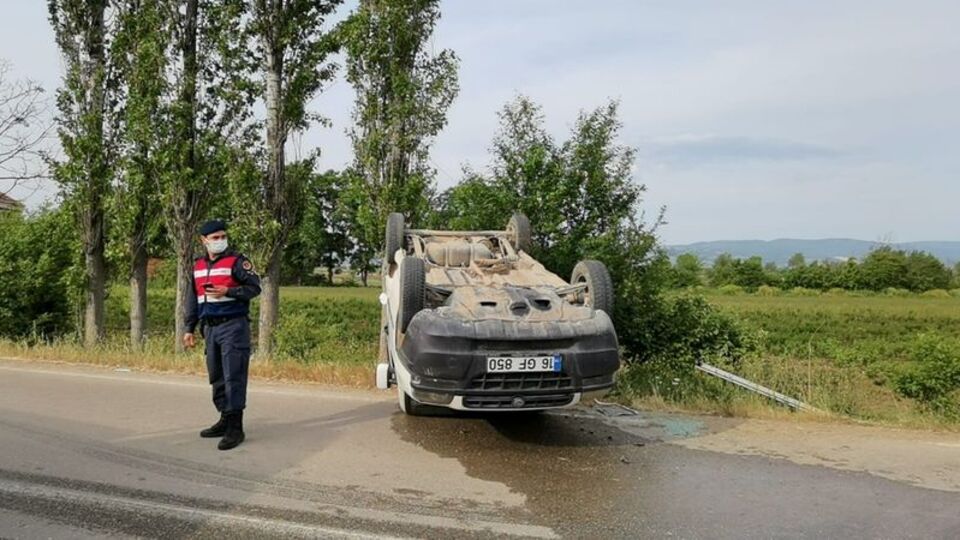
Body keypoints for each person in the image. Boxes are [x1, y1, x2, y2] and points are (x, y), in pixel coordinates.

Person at [183, 219, 261, 450]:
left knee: (233, 376)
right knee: (216, 376)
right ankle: (224, 418)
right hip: (210, 328)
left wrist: (230, 291)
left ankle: (236, 428)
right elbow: (192, 299)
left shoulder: (237, 261)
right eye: (215, 238)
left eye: (223, 236)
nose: (220, 241)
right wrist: (189, 328)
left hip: (233, 326)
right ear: (203, 240)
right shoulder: (197, 266)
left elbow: (255, 287)